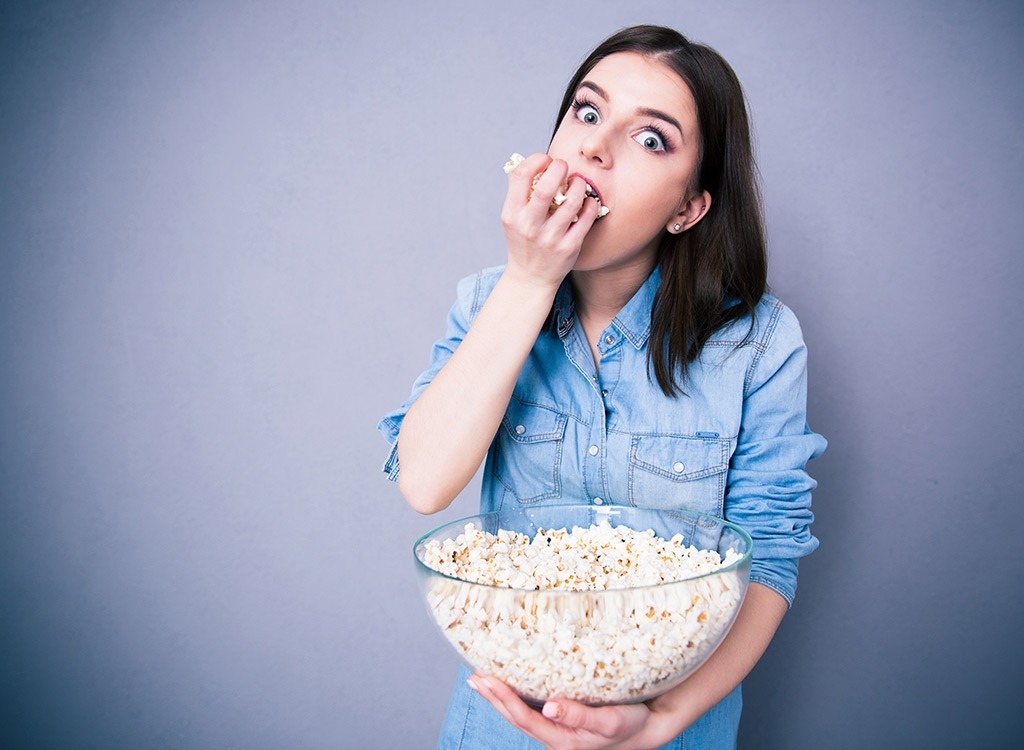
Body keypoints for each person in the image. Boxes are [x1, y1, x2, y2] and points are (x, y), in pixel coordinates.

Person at [377, 24, 826, 750]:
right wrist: (530, 278)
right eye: (587, 113)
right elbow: (424, 484)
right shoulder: (488, 300)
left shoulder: (762, 345)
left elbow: (768, 555)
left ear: (689, 208)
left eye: (651, 139)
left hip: (678, 728)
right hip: (501, 727)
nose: (593, 146)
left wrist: (660, 719)